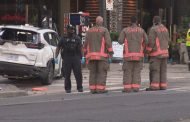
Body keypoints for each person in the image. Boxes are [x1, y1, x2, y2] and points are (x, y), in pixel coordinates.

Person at [83, 16, 113, 94]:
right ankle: (100, 89)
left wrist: (84, 54)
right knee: (101, 72)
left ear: (96, 22)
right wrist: (110, 52)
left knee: (92, 73)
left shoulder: (89, 31)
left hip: (91, 56)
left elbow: (85, 43)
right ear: (101, 22)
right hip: (102, 56)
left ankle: (93, 89)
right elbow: (108, 42)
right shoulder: (104, 30)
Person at [118, 16, 148, 93]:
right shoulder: (141, 31)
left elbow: (120, 41)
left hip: (128, 56)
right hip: (139, 55)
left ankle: (127, 88)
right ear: (137, 21)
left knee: (127, 72)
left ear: (129, 21)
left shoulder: (125, 30)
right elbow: (147, 41)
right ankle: (136, 88)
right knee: (137, 72)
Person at [55, 24, 83, 93]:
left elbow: (81, 48)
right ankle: (68, 88)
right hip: (67, 58)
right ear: (67, 30)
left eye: (73, 29)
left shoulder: (77, 38)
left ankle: (80, 87)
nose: (72, 31)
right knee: (67, 74)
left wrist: (82, 57)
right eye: (70, 29)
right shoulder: (63, 38)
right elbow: (58, 47)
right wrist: (56, 56)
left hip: (76, 57)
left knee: (78, 73)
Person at [146, 16, 170, 91]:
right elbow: (168, 40)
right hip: (165, 53)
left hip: (156, 54)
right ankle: (163, 85)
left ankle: (154, 86)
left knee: (155, 70)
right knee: (163, 70)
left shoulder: (153, 29)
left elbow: (151, 42)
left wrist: (147, 51)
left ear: (154, 21)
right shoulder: (165, 29)